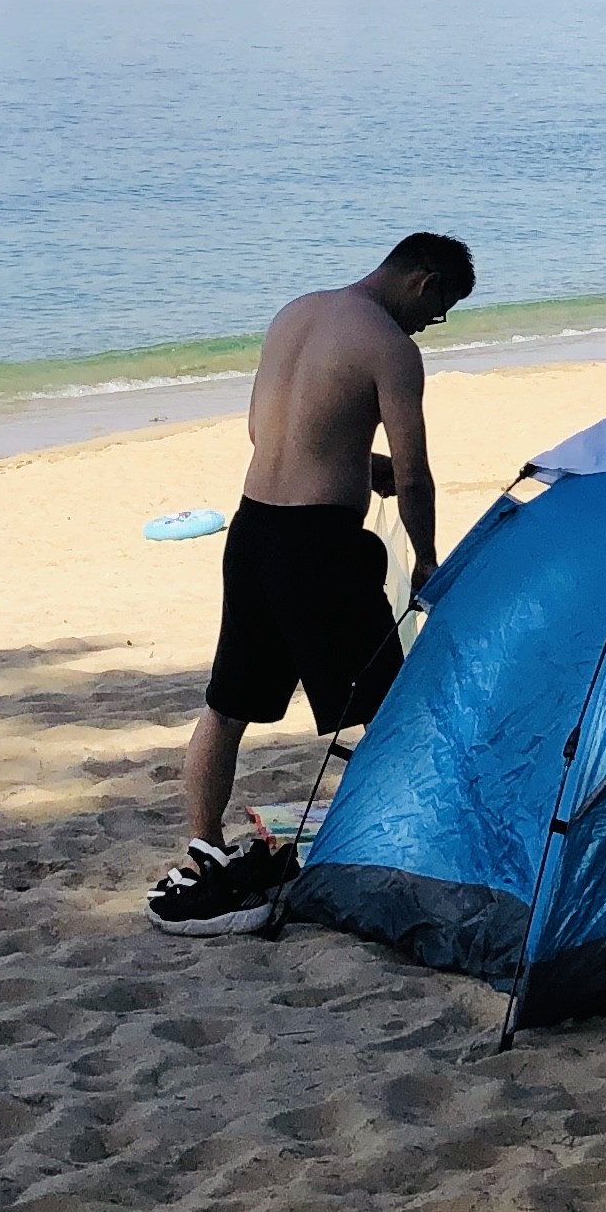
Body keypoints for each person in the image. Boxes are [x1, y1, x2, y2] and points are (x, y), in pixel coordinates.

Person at [149, 232, 476, 938]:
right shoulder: (391, 348)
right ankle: (395, 849)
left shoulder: (296, 314)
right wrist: (426, 559)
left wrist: (358, 465)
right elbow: (416, 474)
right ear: (423, 281)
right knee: (386, 708)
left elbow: (265, 431)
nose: (431, 325)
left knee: (226, 706)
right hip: (320, 548)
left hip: (253, 531)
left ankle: (205, 848)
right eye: (439, 310)